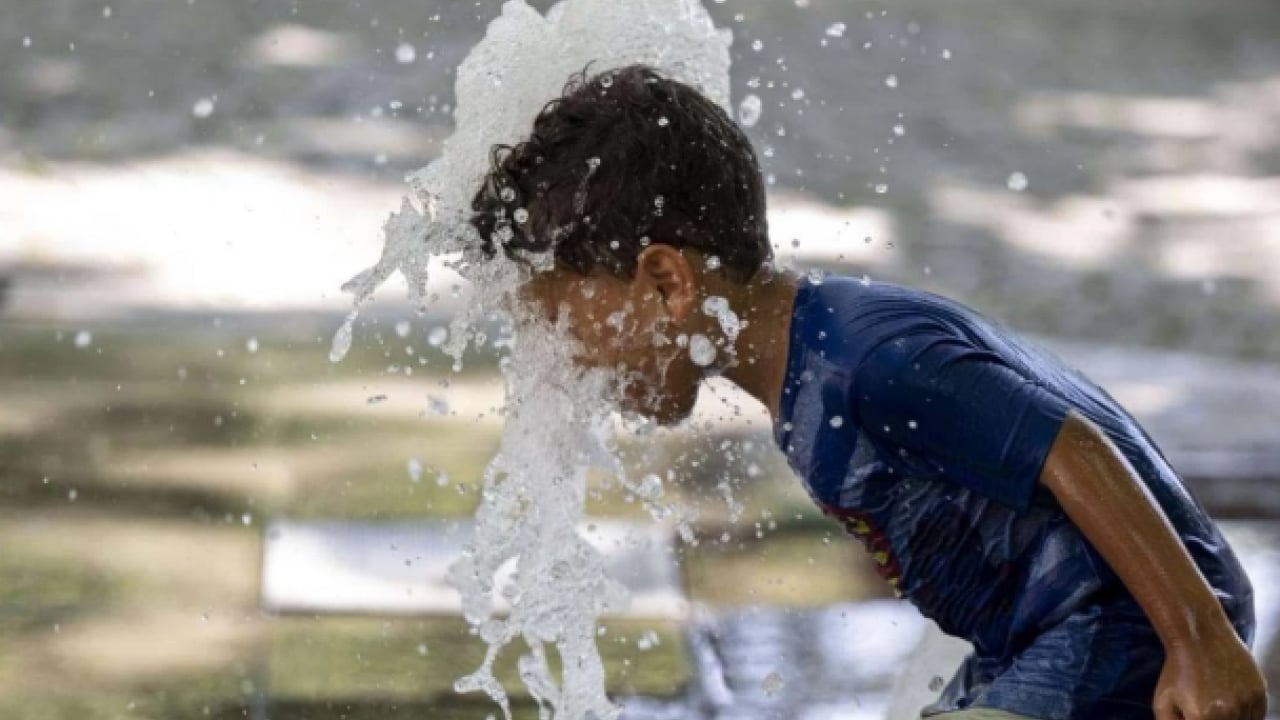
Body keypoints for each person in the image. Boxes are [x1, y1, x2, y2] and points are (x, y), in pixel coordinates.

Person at [468, 64, 1268, 720]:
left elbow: (1076, 449)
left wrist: (1200, 643)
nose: (564, 359)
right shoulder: (811, 371)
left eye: (566, 322)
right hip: (1046, 640)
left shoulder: (866, 358)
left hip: (1121, 632)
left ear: (667, 281)